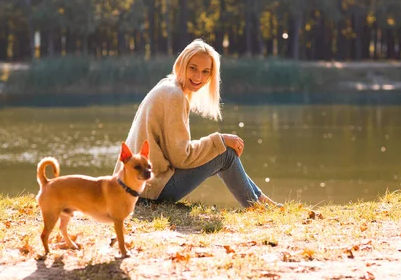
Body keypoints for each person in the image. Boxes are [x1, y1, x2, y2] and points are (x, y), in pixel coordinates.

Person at [114, 39, 279, 208]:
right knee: (225, 154)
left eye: (205, 71)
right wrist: (220, 140)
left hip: (134, 188)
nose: (198, 77)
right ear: (182, 64)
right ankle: (256, 207)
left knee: (222, 153)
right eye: (193, 68)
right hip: (149, 191)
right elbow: (181, 158)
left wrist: (218, 144)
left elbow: (174, 153)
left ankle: (261, 201)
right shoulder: (174, 96)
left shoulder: (167, 86)